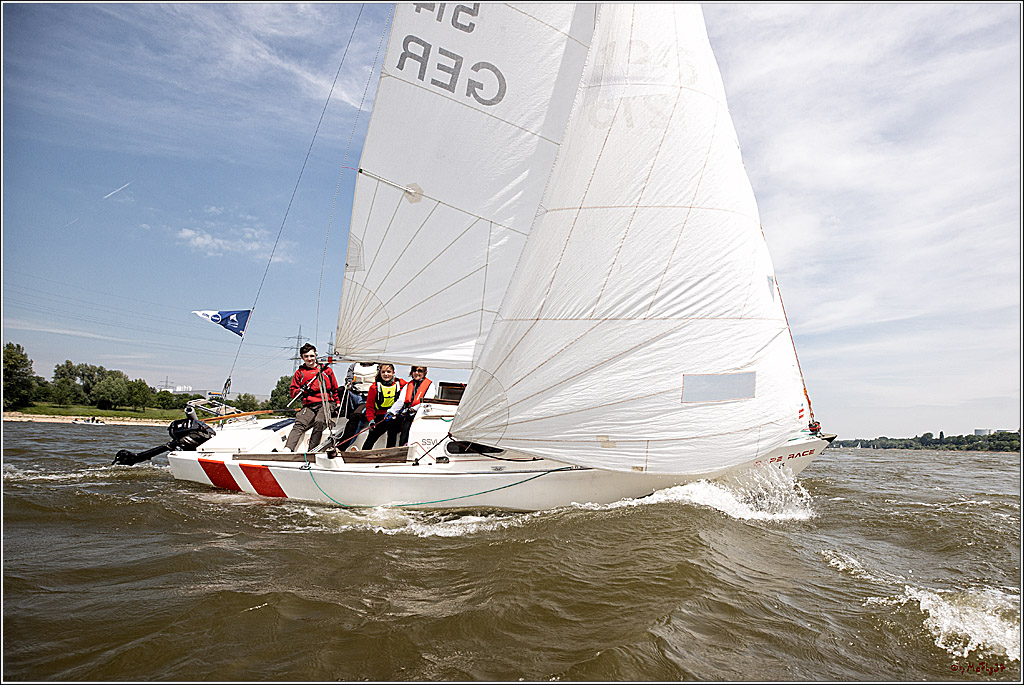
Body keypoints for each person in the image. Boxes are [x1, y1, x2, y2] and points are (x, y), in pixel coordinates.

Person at [285, 343, 341, 452]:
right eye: (306, 357)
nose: (309, 359)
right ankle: (288, 448)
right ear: (302, 358)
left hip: (326, 403)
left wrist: (338, 403)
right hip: (309, 405)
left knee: (319, 421)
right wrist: (302, 391)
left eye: (312, 356)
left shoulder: (325, 370)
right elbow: (293, 392)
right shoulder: (300, 373)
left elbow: (335, 389)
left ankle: (312, 450)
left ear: (316, 356)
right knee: (299, 423)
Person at [361, 363, 404, 450]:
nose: (386, 374)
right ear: (380, 373)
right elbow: (370, 407)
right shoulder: (374, 388)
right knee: (372, 435)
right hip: (381, 417)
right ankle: (363, 453)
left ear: (393, 373)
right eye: (383, 372)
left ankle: (389, 454)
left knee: (392, 432)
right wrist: (371, 420)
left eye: (389, 372)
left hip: (395, 416)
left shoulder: (401, 384)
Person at [396, 365, 433, 446]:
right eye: (414, 370)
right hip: (408, 416)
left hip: (420, 417)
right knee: (402, 437)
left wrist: (414, 408)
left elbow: (427, 401)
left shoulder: (430, 386)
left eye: (420, 371)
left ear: (425, 372)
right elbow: (401, 400)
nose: (417, 373)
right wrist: (391, 411)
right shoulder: (408, 385)